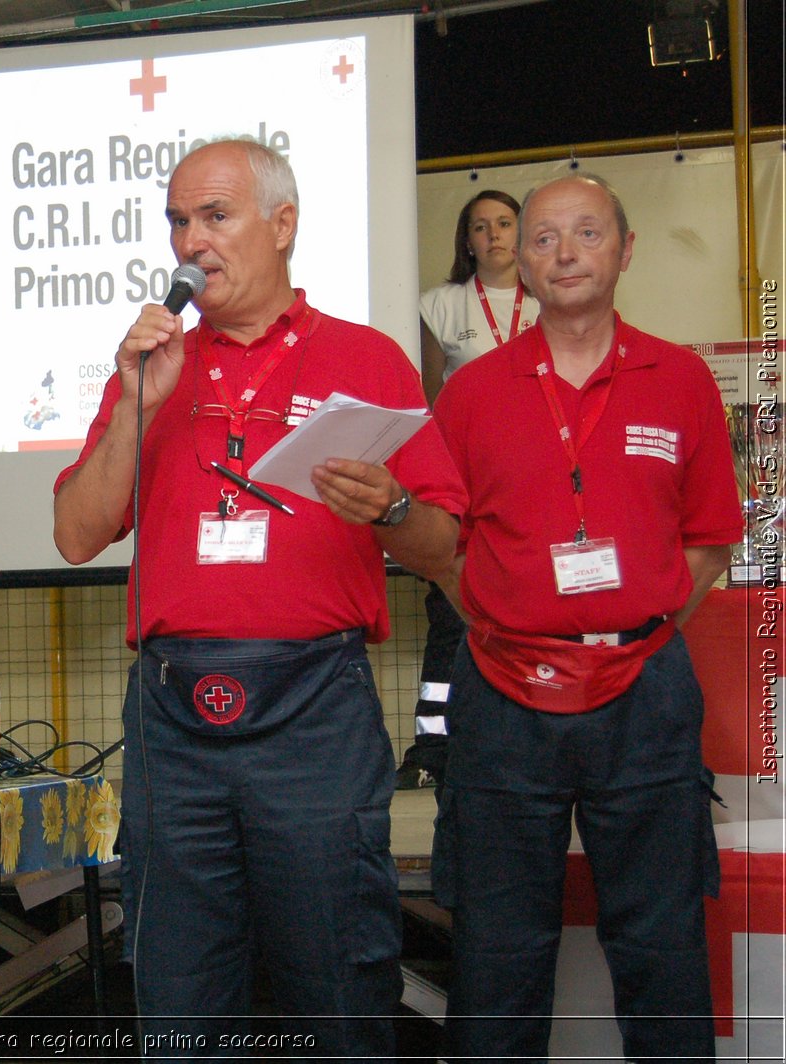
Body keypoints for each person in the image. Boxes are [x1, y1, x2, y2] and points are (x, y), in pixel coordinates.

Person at [53, 138, 466, 1056]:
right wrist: (136, 403)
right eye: (176, 221)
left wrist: (391, 508)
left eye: (215, 216)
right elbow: (77, 533)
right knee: (179, 984)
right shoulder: (156, 366)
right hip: (172, 716)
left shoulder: (368, 359)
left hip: (315, 708)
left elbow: (445, 545)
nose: (189, 241)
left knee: (338, 976)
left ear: (283, 226)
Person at [432, 174, 741, 1060]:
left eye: (588, 234)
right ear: (518, 262)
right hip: (501, 694)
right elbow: (445, 547)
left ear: (626, 249)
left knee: (662, 945)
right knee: (497, 953)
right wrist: (514, 622)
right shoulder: (473, 393)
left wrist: (630, 635)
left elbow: (711, 541)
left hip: (644, 695)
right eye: (544, 238)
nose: (565, 253)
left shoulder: (680, 381)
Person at [397, 190, 542, 789]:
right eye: (480, 227)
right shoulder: (439, 304)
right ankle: (435, 749)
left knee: (536, 608)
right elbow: (429, 401)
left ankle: (533, 735)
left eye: (505, 223)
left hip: (541, 478)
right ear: (466, 240)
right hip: (470, 480)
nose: (494, 236)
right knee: (453, 616)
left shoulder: (550, 301)